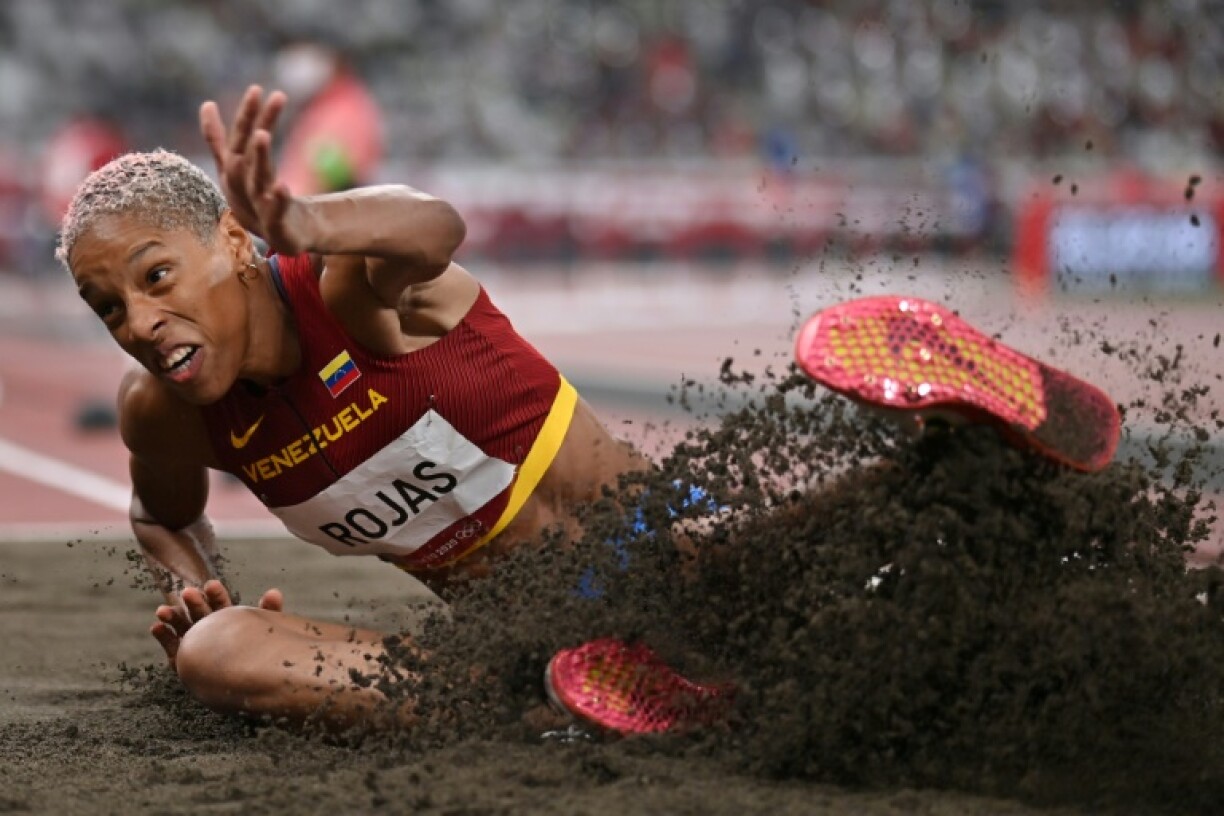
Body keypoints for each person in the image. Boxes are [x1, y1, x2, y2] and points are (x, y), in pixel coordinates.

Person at [58, 85, 1120, 735]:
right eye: (108, 306)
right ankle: (565, 699)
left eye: (156, 277)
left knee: (750, 595)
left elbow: (433, 227)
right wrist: (194, 585)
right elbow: (162, 513)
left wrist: (307, 218)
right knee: (217, 654)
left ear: (232, 243)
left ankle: (958, 447)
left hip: (657, 554)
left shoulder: (346, 290)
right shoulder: (168, 414)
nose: (139, 321)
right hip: (520, 649)